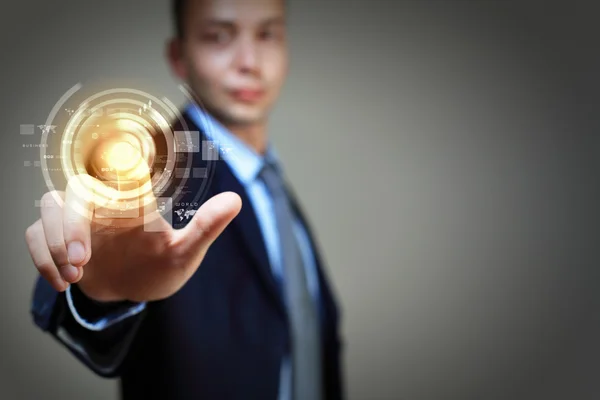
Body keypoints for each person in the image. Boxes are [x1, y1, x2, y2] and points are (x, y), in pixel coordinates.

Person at [25, 0, 344, 399]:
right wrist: (96, 288)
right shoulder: (144, 165)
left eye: (267, 34)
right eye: (218, 36)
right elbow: (85, 254)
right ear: (179, 57)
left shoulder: (273, 184)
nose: (250, 61)